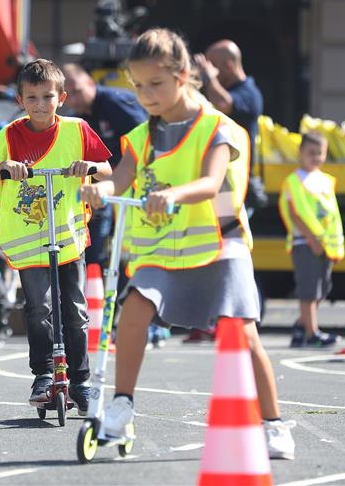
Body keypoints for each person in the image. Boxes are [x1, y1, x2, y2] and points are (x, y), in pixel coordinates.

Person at [79, 28, 295, 459]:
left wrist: (173, 194)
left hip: (220, 241)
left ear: (182, 76)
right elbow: (122, 176)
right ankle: (120, 408)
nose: (146, 95)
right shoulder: (140, 137)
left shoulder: (218, 127)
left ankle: (273, 424)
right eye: (137, 86)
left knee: (241, 331)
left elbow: (211, 181)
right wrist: (100, 190)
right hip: (163, 245)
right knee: (134, 314)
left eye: (155, 84)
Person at [0, 59, 113, 414]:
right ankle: (43, 375)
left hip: (67, 234)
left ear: (62, 97)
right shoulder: (8, 136)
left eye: (47, 96)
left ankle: (80, 380)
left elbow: (108, 169)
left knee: (76, 310)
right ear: (20, 100)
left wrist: (91, 167)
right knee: (39, 309)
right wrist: (4, 168)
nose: (40, 104)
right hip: (29, 237)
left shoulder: (77, 130)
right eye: (32, 97)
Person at [186, 40, 266, 343]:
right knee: (212, 252)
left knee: (234, 255)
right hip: (215, 186)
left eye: (213, 64)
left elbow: (224, 106)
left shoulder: (250, 93)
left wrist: (209, 79)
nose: (207, 71)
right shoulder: (222, 87)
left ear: (229, 66)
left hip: (236, 188)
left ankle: (241, 316)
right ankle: (213, 318)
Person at [62, 63, 147, 268]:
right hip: (108, 185)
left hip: (135, 182)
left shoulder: (114, 102)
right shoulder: (80, 119)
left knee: (129, 248)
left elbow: (145, 137)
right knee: (96, 247)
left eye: (77, 91)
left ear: (91, 83)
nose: (73, 99)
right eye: (68, 95)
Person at [279, 132, 343, 347]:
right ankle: (311, 333)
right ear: (300, 152)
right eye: (311, 152)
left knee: (323, 288)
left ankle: (301, 325)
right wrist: (311, 239)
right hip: (305, 243)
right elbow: (295, 213)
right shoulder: (294, 181)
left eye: (320, 153)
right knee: (309, 290)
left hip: (325, 245)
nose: (316, 157)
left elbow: (331, 214)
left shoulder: (325, 180)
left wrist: (333, 245)